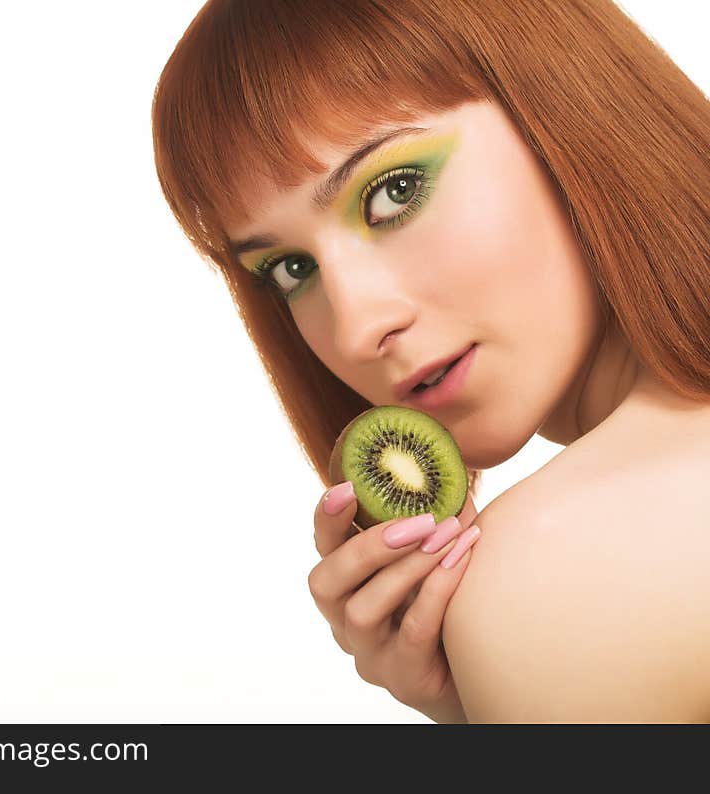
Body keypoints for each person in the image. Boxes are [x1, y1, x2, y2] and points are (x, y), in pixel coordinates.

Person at [151, 0, 710, 723]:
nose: (354, 330)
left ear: (565, 107)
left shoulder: (558, 566)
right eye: (291, 269)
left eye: (393, 192)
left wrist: (521, 652)